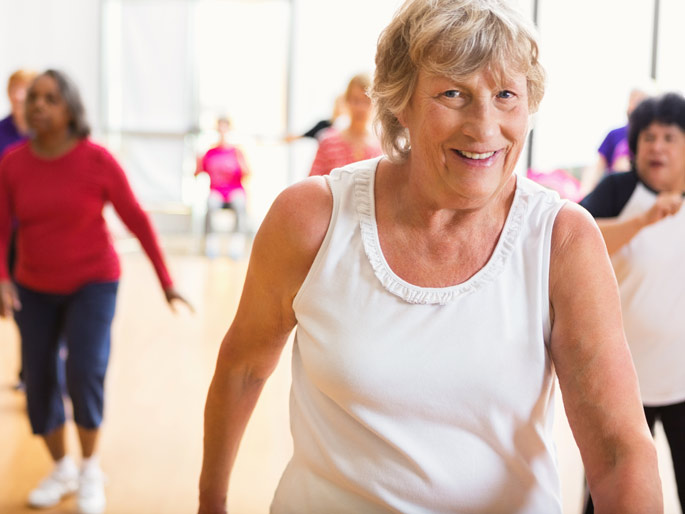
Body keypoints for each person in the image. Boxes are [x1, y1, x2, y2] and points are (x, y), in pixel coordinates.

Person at [198, 1, 662, 513]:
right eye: (453, 94)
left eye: (506, 95)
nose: (484, 127)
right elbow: (243, 369)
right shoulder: (311, 219)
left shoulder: (562, 240)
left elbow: (619, 450)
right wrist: (210, 502)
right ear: (402, 103)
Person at [0, 69, 191, 514]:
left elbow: (137, 219)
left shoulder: (97, 161)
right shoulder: (12, 163)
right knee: (40, 381)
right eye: (34, 99)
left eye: (50, 98)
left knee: (84, 370)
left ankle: (89, 469)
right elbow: (2, 225)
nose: (38, 105)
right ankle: (61, 467)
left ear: (70, 108)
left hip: (93, 283)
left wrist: (166, 281)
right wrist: (3, 279)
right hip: (35, 285)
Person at [580, 92, 685, 513]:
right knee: (611, 496)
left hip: (681, 381)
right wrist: (643, 221)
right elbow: (577, 241)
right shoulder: (618, 190)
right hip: (624, 383)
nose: (656, 146)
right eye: (648, 137)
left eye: (669, 137)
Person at [1, 69, 37, 391]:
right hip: (5, 233)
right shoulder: (2, 132)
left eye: (25, 90)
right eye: (14, 89)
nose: (19, 96)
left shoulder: (45, 134)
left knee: (31, 304)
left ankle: (34, 373)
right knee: (10, 304)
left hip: (35, 235)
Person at [196, 116, 251, 257]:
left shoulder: (236, 151)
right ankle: (211, 243)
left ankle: (237, 244)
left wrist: (240, 161)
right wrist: (197, 160)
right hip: (216, 191)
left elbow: (247, 173)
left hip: (234, 190)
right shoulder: (210, 152)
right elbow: (197, 173)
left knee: (240, 204)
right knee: (211, 203)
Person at [308, 73, 382, 176]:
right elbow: (312, 184)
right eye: (356, 100)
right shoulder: (327, 142)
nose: (360, 108)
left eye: (367, 100)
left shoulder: (383, 146)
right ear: (347, 101)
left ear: (375, 103)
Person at [580, 87, 651, 194]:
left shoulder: (653, 138)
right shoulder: (615, 134)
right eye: (636, 101)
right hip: (616, 192)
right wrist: (586, 190)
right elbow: (598, 166)